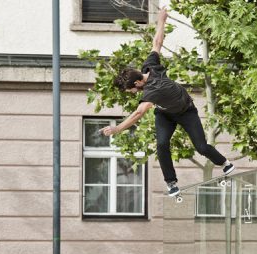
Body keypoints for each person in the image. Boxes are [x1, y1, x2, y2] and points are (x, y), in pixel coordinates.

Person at [100, 7, 234, 196]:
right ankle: (171, 182)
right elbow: (157, 42)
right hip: (165, 114)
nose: (130, 93)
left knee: (201, 147)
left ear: (138, 82)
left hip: (186, 111)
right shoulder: (149, 66)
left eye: (130, 89)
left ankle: (225, 163)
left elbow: (139, 113)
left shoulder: (154, 89)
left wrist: (117, 129)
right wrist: (161, 20)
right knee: (162, 144)